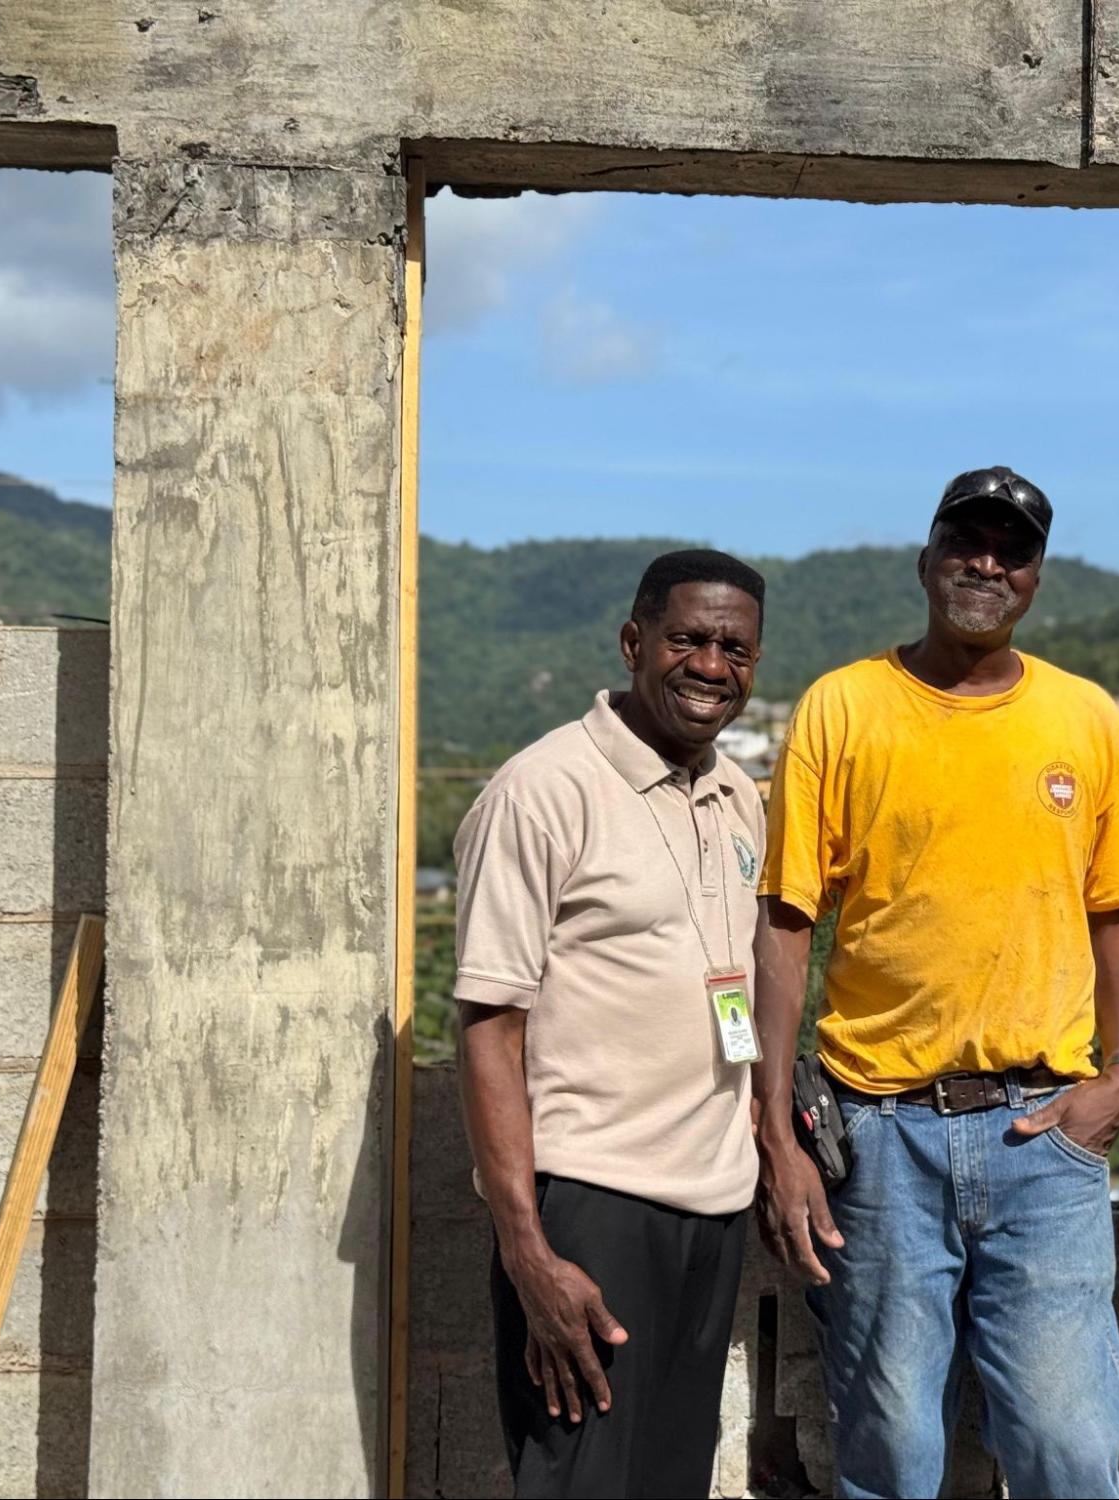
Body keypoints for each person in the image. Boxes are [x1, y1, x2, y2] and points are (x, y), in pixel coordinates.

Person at [752, 467, 1119, 1499]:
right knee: (891, 1451)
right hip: (880, 1137)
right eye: (966, 541)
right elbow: (784, 925)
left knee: (1067, 1450)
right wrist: (776, 1133)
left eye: (1011, 550)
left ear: (1034, 578)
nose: (986, 563)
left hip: (1046, 1136)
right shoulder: (843, 707)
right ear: (926, 557)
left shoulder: (1083, 720)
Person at [451, 549, 769, 1499]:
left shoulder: (736, 793)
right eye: (686, 640)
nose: (711, 666)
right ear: (634, 643)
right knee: (582, 1479)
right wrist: (528, 1250)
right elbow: (487, 1027)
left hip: (713, 1206)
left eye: (735, 649)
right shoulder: (541, 791)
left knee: (671, 1479)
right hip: (592, 1206)